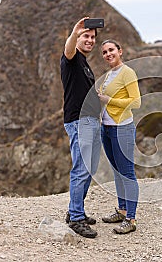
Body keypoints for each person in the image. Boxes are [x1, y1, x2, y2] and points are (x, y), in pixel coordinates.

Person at [60, 17, 101, 238]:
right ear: (77, 38)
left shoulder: (84, 63)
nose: (90, 40)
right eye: (86, 36)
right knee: (81, 169)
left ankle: (76, 211)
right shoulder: (72, 58)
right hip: (79, 121)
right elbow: (67, 50)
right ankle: (76, 218)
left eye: (93, 37)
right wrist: (75, 31)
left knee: (90, 169)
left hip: (92, 122)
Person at [97, 39, 141, 234]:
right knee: (116, 171)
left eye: (111, 50)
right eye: (105, 52)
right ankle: (122, 210)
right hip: (107, 128)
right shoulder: (109, 74)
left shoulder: (127, 72)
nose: (108, 54)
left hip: (122, 128)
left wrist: (109, 100)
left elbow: (136, 102)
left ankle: (131, 219)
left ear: (120, 51)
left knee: (127, 174)